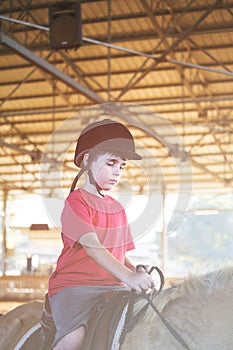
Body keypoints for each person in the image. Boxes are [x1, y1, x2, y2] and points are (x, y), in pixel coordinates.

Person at [48, 119, 155, 350]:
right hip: (76, 287)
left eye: (122, 166)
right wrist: (128, 277)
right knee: (73, 339)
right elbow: (92, 245)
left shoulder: (118, 208)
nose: (117, 171)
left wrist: (133, 271)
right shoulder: (76, 202)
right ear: (87, 160)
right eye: (111, 163)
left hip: (114, 286)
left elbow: (119, 255)